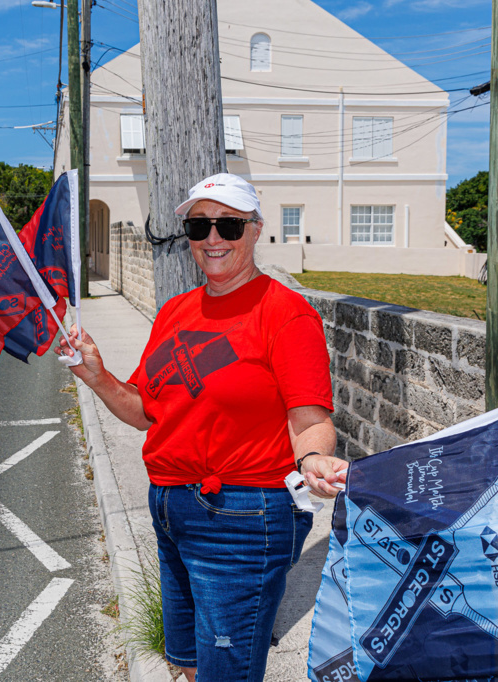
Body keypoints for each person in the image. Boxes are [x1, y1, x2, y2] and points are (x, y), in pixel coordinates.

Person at [57, 173, 347, 682]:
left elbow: (309, 416)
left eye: (229, 225)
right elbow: (146, 411)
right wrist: (98, 376)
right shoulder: (175, 312)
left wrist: (313, 459)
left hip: (240, 518)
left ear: (255, 230)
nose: (213, 238)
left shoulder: (284, 313)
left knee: (225, 673)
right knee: (187, 661)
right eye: (199, 225)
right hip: (171, 509)